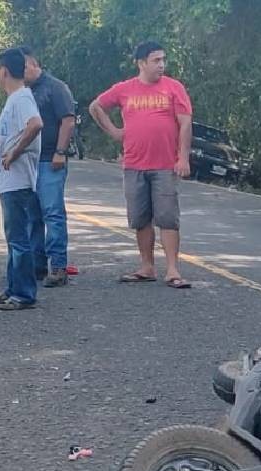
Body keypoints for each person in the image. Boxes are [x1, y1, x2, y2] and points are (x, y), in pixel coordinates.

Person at [89, 40, 193, 289]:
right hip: (135, 164)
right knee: (140, 218)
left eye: (163, 60)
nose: (161, 65)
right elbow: (96, 107)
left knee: (168, 217)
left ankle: (172, 269)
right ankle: (147, 266)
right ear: (141, 63)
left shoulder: (173, 88)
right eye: (156, 60)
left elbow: (186, 123)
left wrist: (183, 157)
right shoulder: (125, 89)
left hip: (165, 165)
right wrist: (114, 132)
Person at [0, 47, 43, 311]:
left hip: (18, 181)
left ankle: (23, 293)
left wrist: (14, 151)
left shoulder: (22, 98)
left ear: (3, 71)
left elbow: (35, 124)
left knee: (19, 238)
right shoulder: (15, 99)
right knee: (14, 237)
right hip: (9, 181)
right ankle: (14, 286)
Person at [20, 46, 76, 287]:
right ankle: (37, 265)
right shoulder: (22, 91)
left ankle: (58, 266)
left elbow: (68, 120)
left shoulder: (56, 87)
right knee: (32, 216)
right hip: (29, 162)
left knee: (52, 213)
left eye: (23, 67)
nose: (20, 72)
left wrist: (60, 152)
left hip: (50, 159)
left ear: (34, 64)